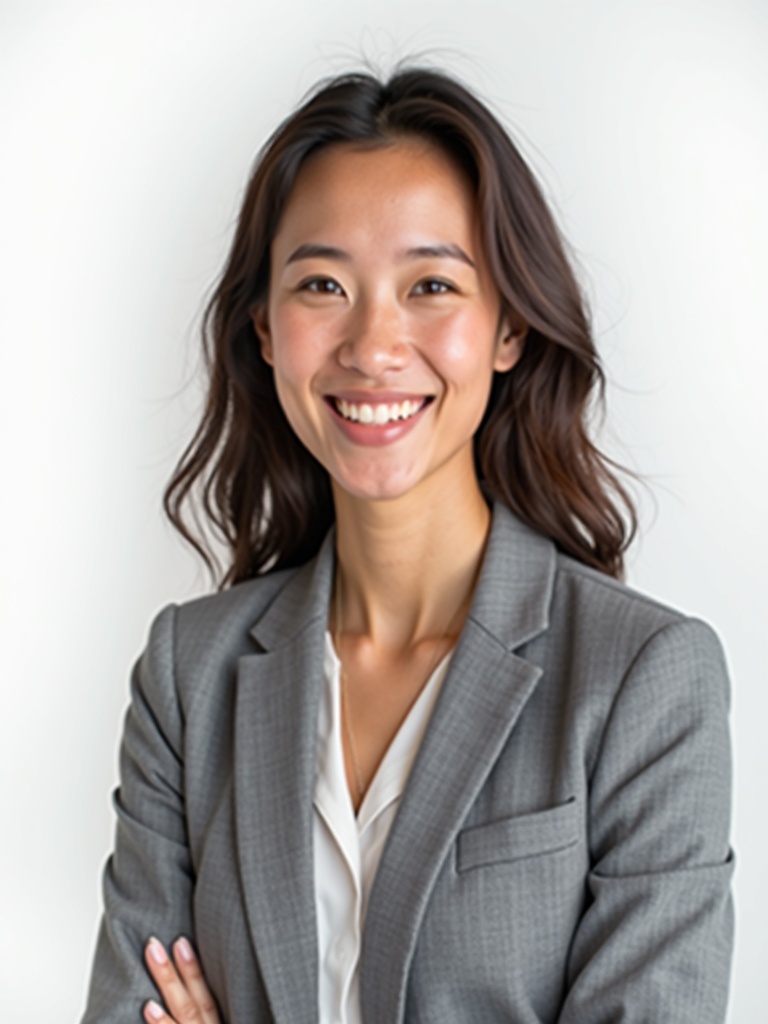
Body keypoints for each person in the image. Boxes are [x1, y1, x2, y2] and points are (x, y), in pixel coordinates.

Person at [81, 66, 734, 1024]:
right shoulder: (189, 676)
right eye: (322, 285)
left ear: (509, 326)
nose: (373, 345)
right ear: (265, 329)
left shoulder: (645, 678)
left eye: (431, 284)